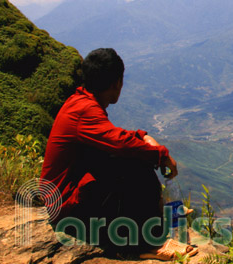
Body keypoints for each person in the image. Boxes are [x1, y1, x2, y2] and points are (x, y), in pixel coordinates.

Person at [40, 48, 197, 260]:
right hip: (68, 209)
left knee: (129, 161)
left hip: (65, 200)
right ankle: (148, 244)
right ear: (117, 83)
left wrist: (142, 137)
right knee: (137, 166)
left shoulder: (80, 103)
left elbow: (111, 136)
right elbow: (121, 144)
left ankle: (148, 230)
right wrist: (161, 155)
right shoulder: (85, 110)